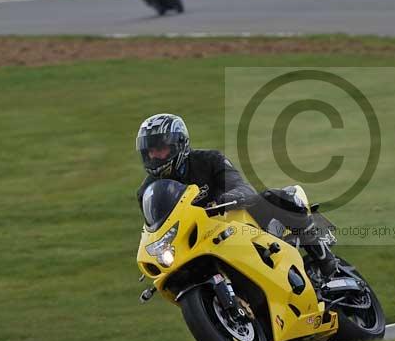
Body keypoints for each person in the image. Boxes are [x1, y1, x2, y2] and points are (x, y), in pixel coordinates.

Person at [135, 113, 339, 275]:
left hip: (234, 220)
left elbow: (241, 187)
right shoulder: (146, 191)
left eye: (160, 149)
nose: (154, 156)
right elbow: (155, 228)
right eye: (149, 152)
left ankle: (324, 259)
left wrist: (228, 199)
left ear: (179, 144)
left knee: (280, 197)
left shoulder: (210, 160)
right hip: (197, 240)